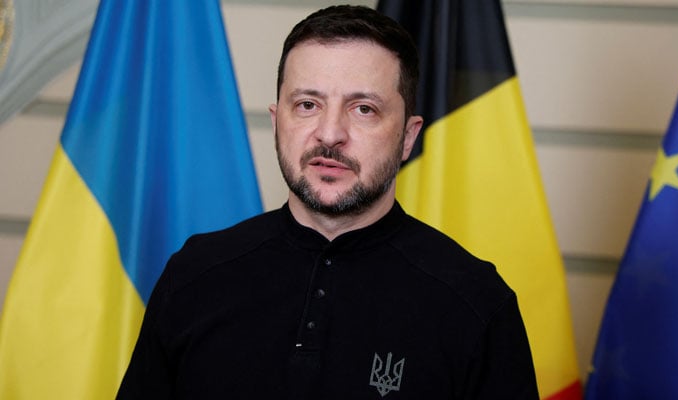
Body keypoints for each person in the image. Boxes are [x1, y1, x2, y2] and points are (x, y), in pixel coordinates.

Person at [117, 5, 538, 399]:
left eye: (363, 109)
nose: (330, 133)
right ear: (277, 120)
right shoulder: (193, 276)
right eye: (307, 104)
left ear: (408, 136)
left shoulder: (476, 302)